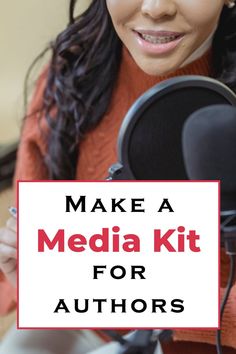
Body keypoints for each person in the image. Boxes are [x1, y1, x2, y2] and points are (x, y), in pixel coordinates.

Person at [0, 0, 236, 353]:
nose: (156, 8)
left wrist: (159, 304)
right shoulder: (70, 72)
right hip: (86, 320)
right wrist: (34, 275)